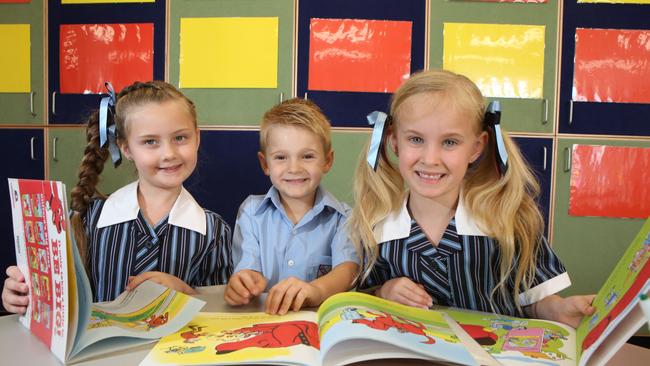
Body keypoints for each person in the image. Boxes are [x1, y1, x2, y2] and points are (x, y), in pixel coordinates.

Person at [349, 70, 594, 327]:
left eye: (450, 142)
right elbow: (364, 297)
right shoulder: (374, 226)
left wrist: (559, 309)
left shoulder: (506, 220)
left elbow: (534, 299)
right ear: (394, 142)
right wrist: (384, 291)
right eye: (416, 139)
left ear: (476, 147)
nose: (430, 159)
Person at [2, 81, 232, 312]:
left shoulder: (215, 231)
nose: (169, 153)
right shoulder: (87, 218)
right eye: (150, 141)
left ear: (197, 137)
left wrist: (186, 292)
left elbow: (217, 313)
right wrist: (21, 295)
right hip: (98, 348)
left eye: (180, 138)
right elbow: (52, 300)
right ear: (126, 148)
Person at [224, 98, 358, 315]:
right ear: (265, 164)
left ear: (327, 161)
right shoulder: (251, 212)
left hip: (319, 327)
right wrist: (244, 284)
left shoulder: (344, 218)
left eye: (307, 156)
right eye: (281, 157)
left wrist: (315, 290)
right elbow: (248, 267)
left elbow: (347, 270)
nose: (294, 168)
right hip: (263, 323)